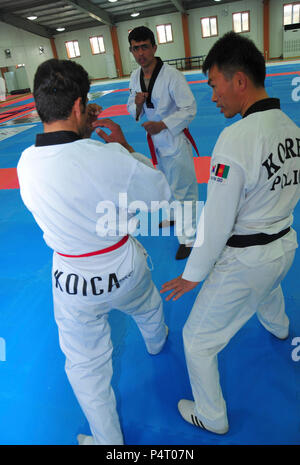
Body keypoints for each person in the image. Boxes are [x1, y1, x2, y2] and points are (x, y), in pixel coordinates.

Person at [17, 58, 172, 445]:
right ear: (78, 106)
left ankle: (108, 442)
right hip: (123, 267)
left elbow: (67, 164)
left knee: (86, 367)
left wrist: (82, 134)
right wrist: (124, 148)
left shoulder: (25, 165)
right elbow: (160, 195)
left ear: (39, 107)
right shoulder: (110, 158)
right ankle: (158, 343)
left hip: (71, 281)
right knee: (148, 306)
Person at [161, 32, 300, 434]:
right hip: (286, 244)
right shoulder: (292, 127)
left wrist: (194, 274)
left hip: (247, 261)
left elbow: (218, 221)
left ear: (239, 81)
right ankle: (279, 327)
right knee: (269, 286)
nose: (213, 95)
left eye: (214, 84)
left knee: (198, 340)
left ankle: (212, 415)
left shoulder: (236, 139)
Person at [127, 26, 199, 260]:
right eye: (135, 49)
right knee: (166, 185)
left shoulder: (172, 75)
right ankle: (175, 215)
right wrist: (138, 103)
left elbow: (189, 108)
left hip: (175, 139)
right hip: (157, 142)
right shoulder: (134, 76)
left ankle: (188, 239)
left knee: (183, 189)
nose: (140, 53)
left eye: (144, 47)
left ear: (154, 47)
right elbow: (133, 110)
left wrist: (163, 124)